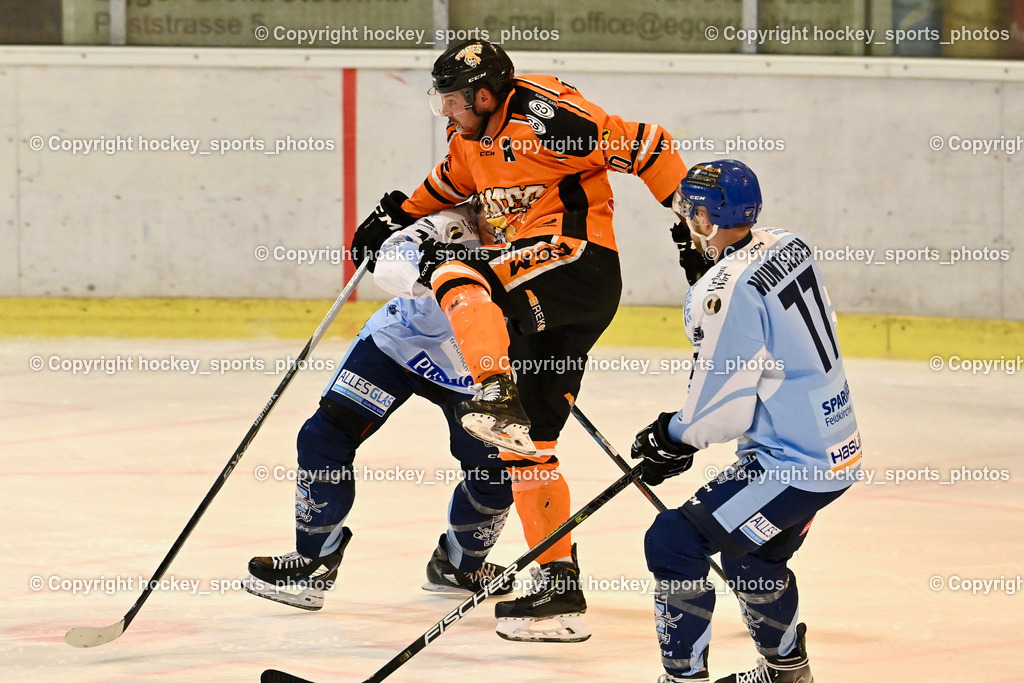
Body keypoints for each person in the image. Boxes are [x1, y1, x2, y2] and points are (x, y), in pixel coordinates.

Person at [350, 39, 688, 642]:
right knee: (528, 446)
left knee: (456, 271)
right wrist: (391, 213)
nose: (446, 113)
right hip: (544, 295)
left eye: (453, 101)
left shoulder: (549, 117)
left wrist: (691, 234)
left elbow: (651, 145)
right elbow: (444, 188)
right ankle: (559, 590)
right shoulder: (469, 140)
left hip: (576, 264)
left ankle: (493, 390)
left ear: (485, 94)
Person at [631, 160, 862, 682]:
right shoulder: (788, 242)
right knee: (750, 554)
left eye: (691, 212)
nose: (685, 221)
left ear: (710, 220)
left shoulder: (725, 293)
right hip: (836, 443)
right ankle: (787, 671)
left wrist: (669, 436)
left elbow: (721, 412)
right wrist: (714, 274)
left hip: (792, 463)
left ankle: (683, 678)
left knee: (673, 539)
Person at [246, 199, 516, 611]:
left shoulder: (547, 238)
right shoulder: (448, 224)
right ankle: (314, 560)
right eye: (493, 199)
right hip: (399, 346)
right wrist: (427, 271)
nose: (502, 211)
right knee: (323, 439)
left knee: (497, 471)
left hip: (481, 368)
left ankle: (461, 567)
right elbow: (389, 260)